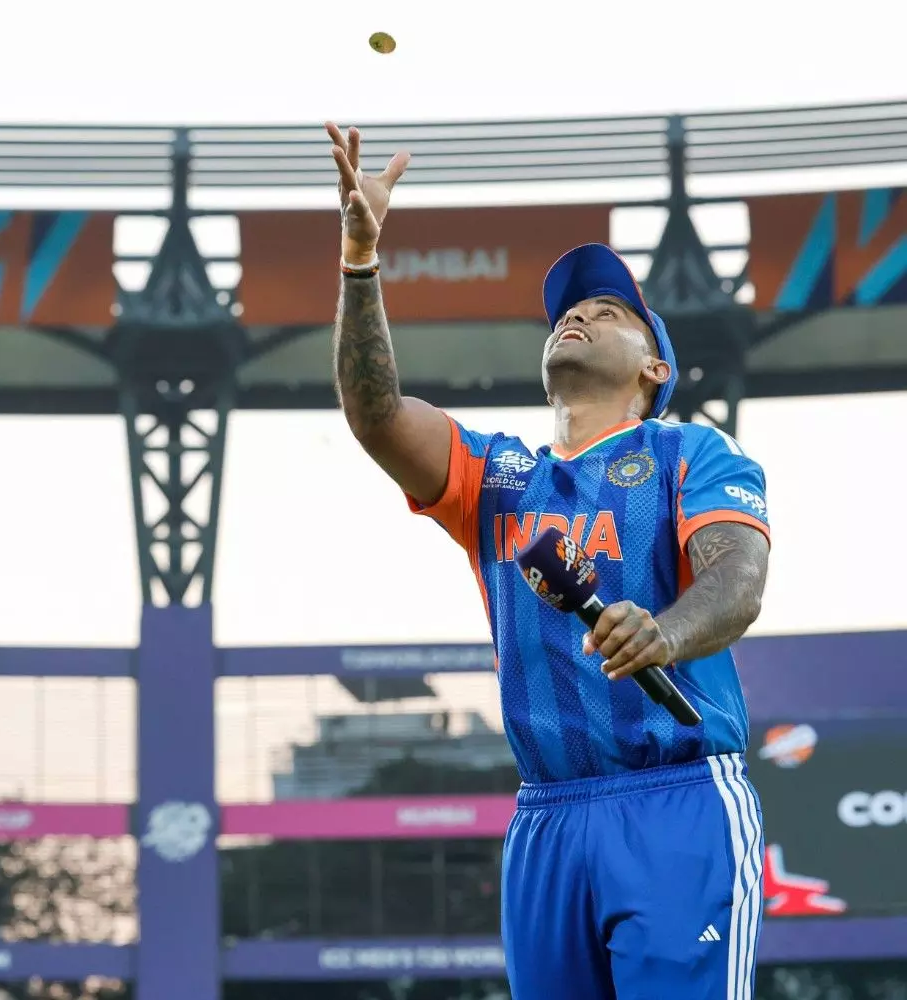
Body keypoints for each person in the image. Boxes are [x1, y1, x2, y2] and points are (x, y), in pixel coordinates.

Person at [325, 123, 771, 998]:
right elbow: (376, 413)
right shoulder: (498, 477)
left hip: (675, 798)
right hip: (547, 817)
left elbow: (738, 581)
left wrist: (664, 632)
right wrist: (360, 259)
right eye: (570, 308)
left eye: (607, 311)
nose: (578, 313)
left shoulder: (690, 452)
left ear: (654, 366)